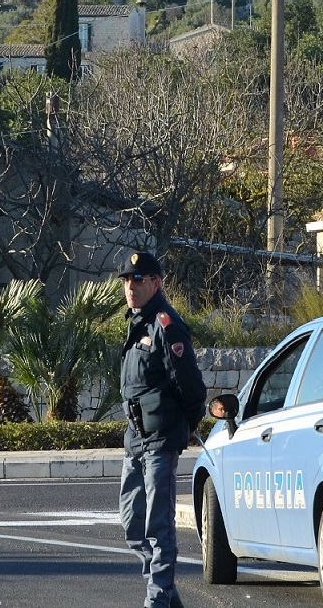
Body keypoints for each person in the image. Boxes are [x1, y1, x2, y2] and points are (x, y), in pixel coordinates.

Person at [115, 250, 206, 608]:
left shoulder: (167, 325)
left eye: (138, 279)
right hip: (134, 440)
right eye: (126, 280)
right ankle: (167, 595)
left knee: (158, 527)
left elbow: (192, 389)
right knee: (132, 525)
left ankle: (156, 599)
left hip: (160, 439)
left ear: (156, 282)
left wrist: (184, 427)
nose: (130, 286)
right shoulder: (136, 322)